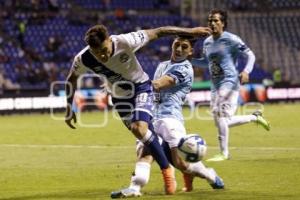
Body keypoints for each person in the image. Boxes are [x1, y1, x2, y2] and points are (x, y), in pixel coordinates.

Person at [64, 24, 211, 194]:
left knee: (139, 129)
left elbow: (159, 31)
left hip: (141, 88)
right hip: (119, 99)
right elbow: (71, 79)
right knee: (150, 140)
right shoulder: (83, 59)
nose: (102, 55)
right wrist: (69, 107)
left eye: (104, 50)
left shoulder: (126, 41)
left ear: (109, 40)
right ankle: (198, 171)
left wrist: (190, 32)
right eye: (98, 53)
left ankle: (167, 173)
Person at [110, 36, 224, 198]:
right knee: (144, 153)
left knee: (180, 163)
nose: (178, 49)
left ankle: (209, 174)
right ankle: (134, 188)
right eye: (176, 44)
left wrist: (122, 85)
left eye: (184, 47)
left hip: (171, 119)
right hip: (152, 117)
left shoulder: (184, 68)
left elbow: (156, 85)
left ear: (190, 51)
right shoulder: (163, 65)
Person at [192, 9, 270, 162]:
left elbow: (250, 55)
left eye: (216, 20)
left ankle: (224, 153)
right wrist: (190, 60)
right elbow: (205, 63)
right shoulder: (207, 42)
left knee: (221, 116)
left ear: (223, 23)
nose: (212, 23)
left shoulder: (231, 39)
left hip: (230, 81)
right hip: (215, 85)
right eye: (210, 21)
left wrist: (247, 71)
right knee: (222, 121)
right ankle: (254, 117)